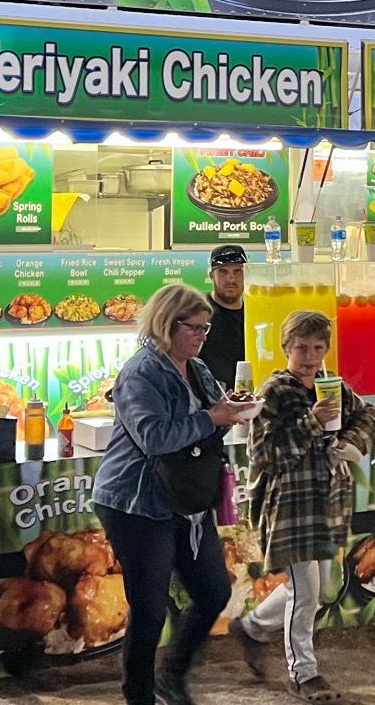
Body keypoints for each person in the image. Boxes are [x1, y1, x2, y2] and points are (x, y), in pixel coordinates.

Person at [93, 284, 257, 705]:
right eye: (195, 327)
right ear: (168, 324)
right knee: (148, 610)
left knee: (213, 591)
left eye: (207, 327)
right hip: (136, 500)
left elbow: (211, 418)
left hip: (187, 500)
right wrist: (211, 417)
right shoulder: (140, 373)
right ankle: (139, 695)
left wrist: (234, 411)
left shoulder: (197, 368)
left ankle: (172, 674)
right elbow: (154, 437)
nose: (203, 335)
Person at [234, 311, 375, 702]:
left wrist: (352, 442)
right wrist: (311, 423)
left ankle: (251, 626)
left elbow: (369, 417)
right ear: (286, 348)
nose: (310, 356)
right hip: (291, 508)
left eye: (318, 348)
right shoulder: (276, 392)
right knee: (306, 592)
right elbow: (265, 455)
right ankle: (303, 673)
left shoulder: (333, 386)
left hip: (327, 504)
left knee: (322, 588)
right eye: (302, 348)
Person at [199, 244, 249, 386]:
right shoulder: (199, 312)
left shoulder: (253, 315)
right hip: (206, 400)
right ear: (211, 276)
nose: (231, 279)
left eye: (237, 271)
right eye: (223, 272)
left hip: (246, 398)